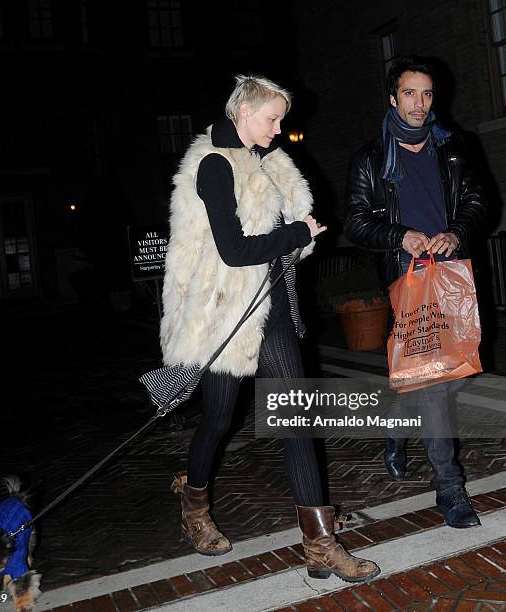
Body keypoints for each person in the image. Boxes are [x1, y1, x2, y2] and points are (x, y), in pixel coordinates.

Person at [159, 74, 380, 582]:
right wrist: (296, 233)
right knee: (218, 419)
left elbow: (281, 235)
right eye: (272, 118)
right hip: (227, 314)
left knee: (298, 421)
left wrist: (299, 235)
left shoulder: (266, 161)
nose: (280, 129)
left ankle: (321, 546)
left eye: (282, 118)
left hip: (272, 308)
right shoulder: (215, 166)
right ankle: (194, 504)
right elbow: (234, 251)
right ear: (242, 111)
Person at [345, 56, 487, 528]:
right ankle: (450, 490)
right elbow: (357, 222)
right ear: (393, 97)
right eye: (410, 93)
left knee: (458, 370)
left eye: (426, 94)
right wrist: (398, 235)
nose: (419, 104)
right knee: (432, 384)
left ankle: (395, 423)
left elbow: (477, 201)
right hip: (407, 279)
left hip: (451, 274)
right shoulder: (370, 159)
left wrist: (457, 232)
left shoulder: (454, 148)